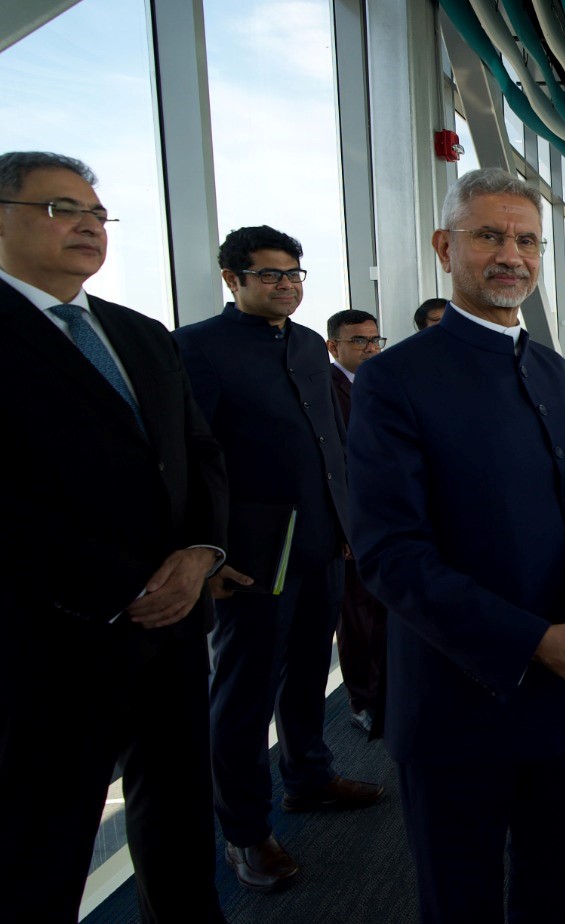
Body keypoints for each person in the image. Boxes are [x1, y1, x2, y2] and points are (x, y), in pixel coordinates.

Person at [347, 168, 565, 923]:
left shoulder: (550, 366)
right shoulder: (395, 380)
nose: (512, 254)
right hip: (460, 694)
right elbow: (390, 555)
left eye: (527, 240)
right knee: (461, 899)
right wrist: (532, 640)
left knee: (556, 882)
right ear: (445, 246)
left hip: (563, 692)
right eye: (490, 236)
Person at [0, 151, 229, 922]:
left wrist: (201, 555)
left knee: (179, 819)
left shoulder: (138, 333)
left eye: (98, 213)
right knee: (41, 842)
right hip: (48, 639)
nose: (90, 226)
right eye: (63, 209)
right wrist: (125, 585)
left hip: (172, 628)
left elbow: (198, 454)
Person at [174, 226, 384, 893]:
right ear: (233, 280)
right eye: (269, 275)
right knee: (243, 695)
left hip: (321, 541)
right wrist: (208, 555)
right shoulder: (196, 348)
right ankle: (245, 831)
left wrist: (348, 523)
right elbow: (189, 460)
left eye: (294, 274)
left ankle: (309, 779)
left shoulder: (302, 344)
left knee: (302, 677)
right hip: (252, 555)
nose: (286, 285)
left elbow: (333, 443)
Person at [327, 309, 388, 737]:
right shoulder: (325, 390)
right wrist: (346, 525)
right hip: (352, 523)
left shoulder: (381, 385)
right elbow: (335, 464)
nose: (369, 348)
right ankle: (363, 701)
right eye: (358, 341)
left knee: (388, 612)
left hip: (389, 518)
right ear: (334, 347)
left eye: (374, 340)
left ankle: (387, 695)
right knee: (357, 617)